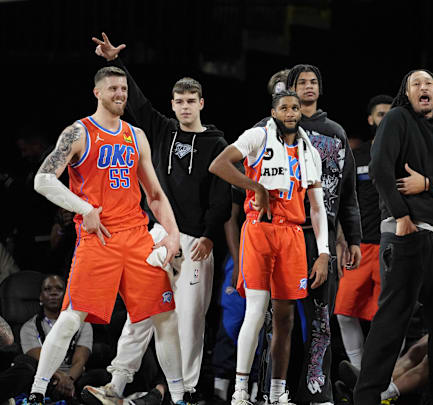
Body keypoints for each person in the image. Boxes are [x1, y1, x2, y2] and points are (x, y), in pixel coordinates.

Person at [85, 32, 231, 403]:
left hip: (197, 242)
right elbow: (135, 100)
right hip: (158, 236)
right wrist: (114, 63)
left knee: (188, 321)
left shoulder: (217, 144)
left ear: (201, 103)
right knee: (141, 313)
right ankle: (117, 384)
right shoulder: (163, 129)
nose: (184, 107)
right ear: (173, 103)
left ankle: (183, 391)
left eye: (190, 101)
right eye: (179, 101)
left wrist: (210, 237)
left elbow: (221, 200)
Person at [28, 65, 186, 405]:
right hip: (98, 239)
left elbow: (155, 195)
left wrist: (172, 236)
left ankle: (180, 396)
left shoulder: (136, 135)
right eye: (113, 89)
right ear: (97, 92)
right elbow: (43, 180)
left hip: (137, 236)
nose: (120, 95)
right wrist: (84, 209)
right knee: (72, 318)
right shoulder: (79, 132)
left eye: (124, 89)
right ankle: (37, 393)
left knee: (165, 317)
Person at [353, 69, 433, 405]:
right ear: (406, 93)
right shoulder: (396, 119)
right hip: (405, 233)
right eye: (416, 84)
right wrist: (402, 216)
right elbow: (379, 168)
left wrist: (429, 184)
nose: (423, 88)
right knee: (392, 323)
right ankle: (366, 397)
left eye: (429, 83)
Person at [209, 89, 326, 405]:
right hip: (260, 231)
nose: (290, 112)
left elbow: (317, 207)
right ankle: (240, 391)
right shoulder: (257, 136)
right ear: (274, 112)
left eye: (295, 108)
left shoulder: (308, 151)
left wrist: (325, 251)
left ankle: (277, 391)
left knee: (285, 320)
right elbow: (219, 165)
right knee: (256, 312)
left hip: (292, 235)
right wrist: (255, 186)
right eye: (284, 108)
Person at [258, 64, 363, 405]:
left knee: (321, 319)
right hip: (278, 235)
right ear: (287, 89)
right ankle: (272, 389)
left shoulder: (335, 132)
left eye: (313, 82)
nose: (308, 87)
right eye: (300, 82)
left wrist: (354, 239)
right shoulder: (268, 129)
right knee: (275, 319)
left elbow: (347, 194)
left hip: (320, 239)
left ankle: (317, 391)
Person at [334, 94, 392, 369]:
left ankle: (384, 379)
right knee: (344, 312)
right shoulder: (355, 156)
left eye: (390, 114)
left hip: (393, 246)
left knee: (390, 316)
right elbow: (343, 201)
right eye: (381, 114)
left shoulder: (407, 154)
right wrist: (341, 240)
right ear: (371, 119)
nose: (385, 119)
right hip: (360, 247)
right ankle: (359, 373)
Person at [0, 275, 97, 402]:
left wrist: (69, 380)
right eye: (48, 289)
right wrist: (60, 377)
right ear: (40, 297)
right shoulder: (29, 327)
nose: (53, 293)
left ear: (66, 296)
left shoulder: (83, 324)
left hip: (73, 377)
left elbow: (80, 360)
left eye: (59, 289)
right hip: (45, 376)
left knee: (99, 376)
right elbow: (38, 357)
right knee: (24, 366)